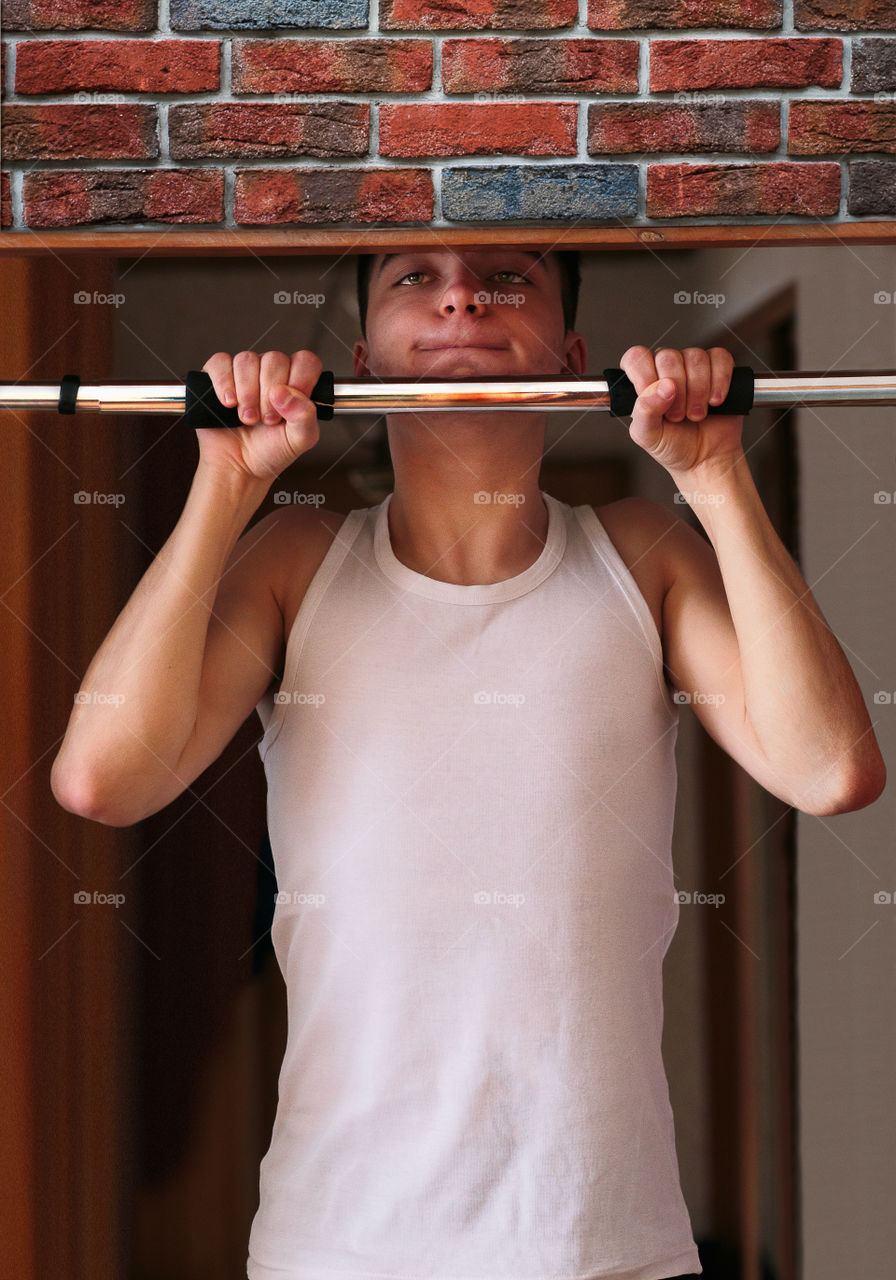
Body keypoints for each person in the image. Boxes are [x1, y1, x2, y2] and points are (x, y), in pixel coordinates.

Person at [51, 247, 886, 1280]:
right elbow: (103, 777)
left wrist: (714, 477)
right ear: (361, 356)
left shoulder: (642, 553)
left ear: (570, 353)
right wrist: (224, 485)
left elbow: (829, 771)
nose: (459, 294)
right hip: (343, 1243)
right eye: (414, 277)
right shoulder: (293, 562)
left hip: (606, 1241)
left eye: (506, 276)